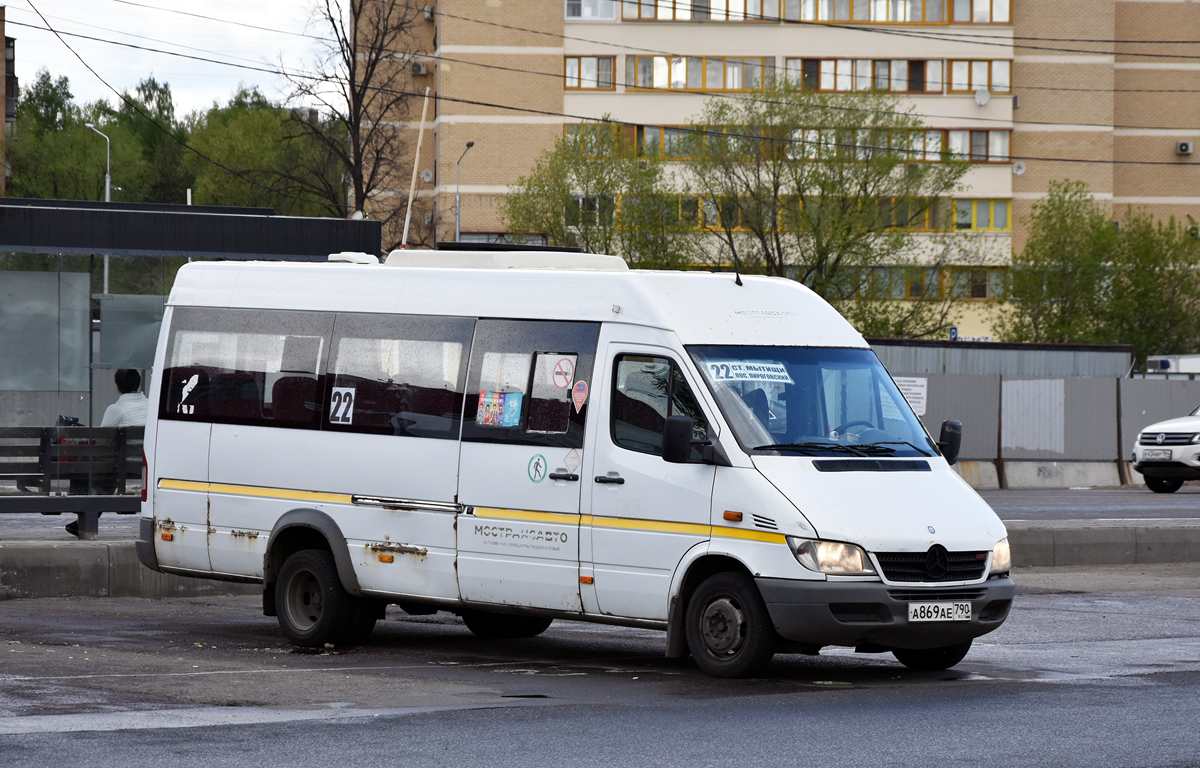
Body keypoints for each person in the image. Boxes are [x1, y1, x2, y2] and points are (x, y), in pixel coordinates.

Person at [65, 370, 148, 537]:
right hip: (144, 463)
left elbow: (101, 442)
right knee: (106, 469)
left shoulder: (116, 409)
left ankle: (84, 515)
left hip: (122, 465)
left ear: (117, 387)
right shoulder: (151, 406)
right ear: (138, 384)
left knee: (86, 465)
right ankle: (84, 519)